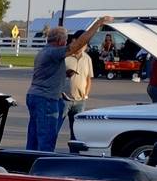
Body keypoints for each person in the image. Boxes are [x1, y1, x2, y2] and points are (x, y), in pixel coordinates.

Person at [26, 17, 112, 151]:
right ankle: (43, 166)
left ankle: (28, 163)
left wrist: (64, 74)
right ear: (60, 41)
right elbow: (77, 45)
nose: (67, 42)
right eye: (65, 40)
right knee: (47, 138)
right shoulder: (54, 52)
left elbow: (48, 72)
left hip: (36, 96)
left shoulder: (45, 51)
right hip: (46, 99)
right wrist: (98, 23)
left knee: (34, 137)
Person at [62, 44, 93, 140]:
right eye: (80, 43)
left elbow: (88, 78)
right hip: (64, 99)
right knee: (54, 127)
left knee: (76, 132)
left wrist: (86, 94)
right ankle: (49, 152)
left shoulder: (87, 58)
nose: (81, 47)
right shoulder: (65, 57)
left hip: (80, 101)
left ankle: (74, 153)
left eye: (84, 44)